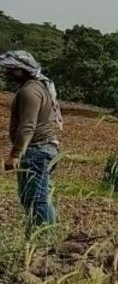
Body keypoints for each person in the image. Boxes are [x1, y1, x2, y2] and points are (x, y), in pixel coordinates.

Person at [3, 51, 63, 231]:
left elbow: (28, 125)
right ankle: (41, 235)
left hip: (37, 150)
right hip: (44, 149)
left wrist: (15, 154)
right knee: (33, 197)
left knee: (36, 198)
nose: (7, 72)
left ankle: (46, 237)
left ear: (22, 71)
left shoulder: (30, 91)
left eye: (11, 69)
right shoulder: (38, 87)